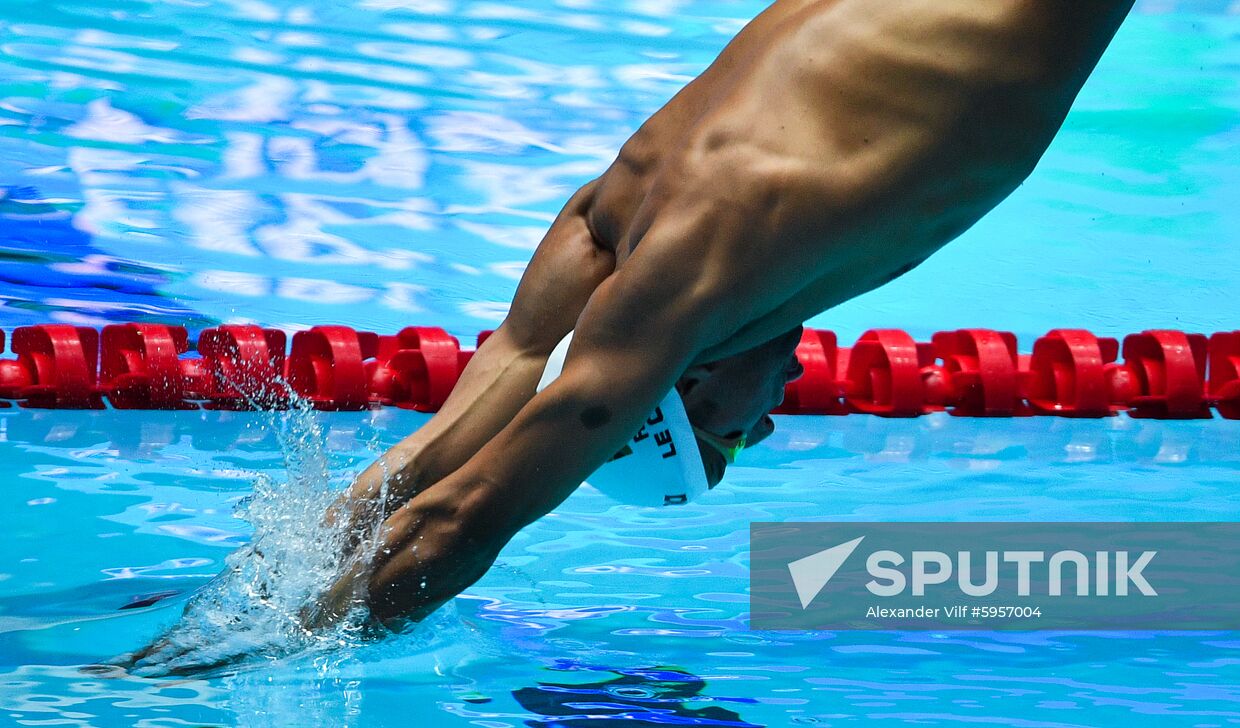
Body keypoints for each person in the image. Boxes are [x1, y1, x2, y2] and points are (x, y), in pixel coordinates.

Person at [125, 0, 1135, 671]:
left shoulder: (708, 260)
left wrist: (227, 666)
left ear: (678, 392)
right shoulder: (621, 206)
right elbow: (449, 430)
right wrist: (240, 596)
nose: (772, 419)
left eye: (738, 440)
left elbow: (460, 514)